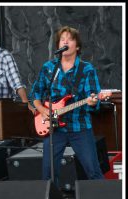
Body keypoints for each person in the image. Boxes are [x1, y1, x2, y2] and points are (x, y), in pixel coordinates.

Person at [30, 26, 105, 187]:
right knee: (48, 173)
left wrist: (93, 101)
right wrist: (43, 111)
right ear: (58, 45)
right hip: (54, 129)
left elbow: (94, 99)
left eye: (69, 39)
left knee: (93, 169)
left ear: (77, 46)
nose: (65, 41)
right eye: (62, 39)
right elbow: (35, 94)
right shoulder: (49, 68)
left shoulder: (86, 69)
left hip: (80, 126)